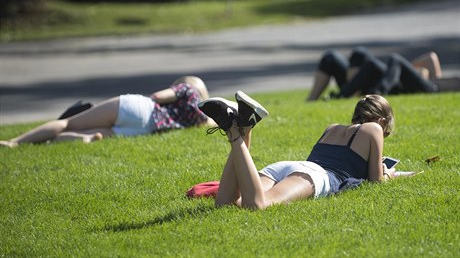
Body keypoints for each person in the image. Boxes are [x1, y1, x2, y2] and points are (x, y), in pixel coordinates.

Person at [198, 92, 397, 210]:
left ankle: (245, 127)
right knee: (258, 205)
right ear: (382, 121)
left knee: (227, 203)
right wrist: (387, 173)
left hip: (289, 167)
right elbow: (375, 181)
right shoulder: (374, 128)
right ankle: (234, 130)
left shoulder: (332, 128)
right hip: (316, 176)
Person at [0, 76, 212, 148]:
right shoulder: (201, 119)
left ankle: (15, 143)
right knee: (89, 133)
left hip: (138, 109)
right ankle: (80, 139)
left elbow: (157, 97)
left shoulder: (187, 89)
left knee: (69, 122)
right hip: (146, 130)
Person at [307, 46, 458, 101]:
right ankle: (316, 100)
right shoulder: (433, 76)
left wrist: (404, 70)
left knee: (394, 59)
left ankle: (378, 92)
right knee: (333, 57)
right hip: (395, 80)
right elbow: (431, 57)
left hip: (429, 88)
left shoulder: (434, 84)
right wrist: (405, 70)